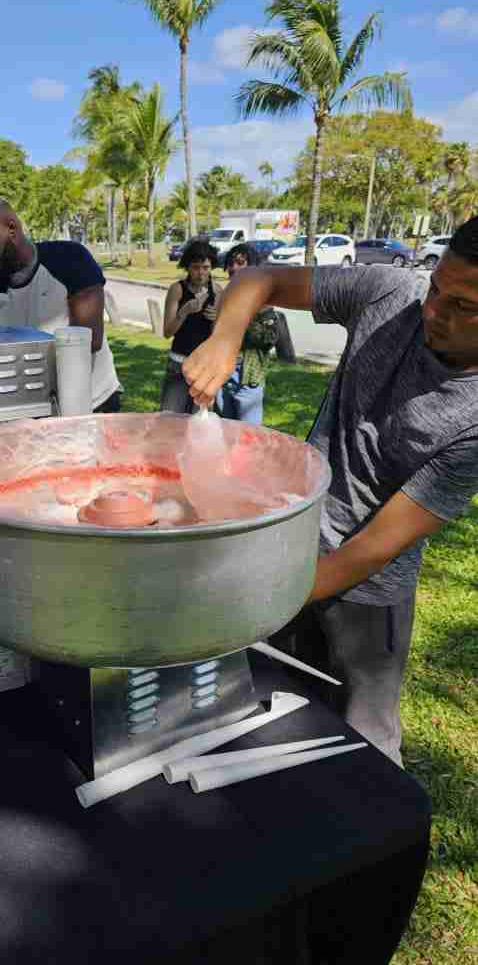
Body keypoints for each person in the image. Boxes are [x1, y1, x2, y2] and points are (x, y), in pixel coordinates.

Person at [182, 216, 478, 767]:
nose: (434, 312)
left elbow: (373, 547)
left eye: (464, 307)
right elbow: (259, 281)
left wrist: (262, 597)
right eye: (438, 288)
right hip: (293, 545)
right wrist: (225, 339)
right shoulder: (392, 293)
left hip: (371, 590)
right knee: (276, 709)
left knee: (364, 739)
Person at [0, 194, 122, 412]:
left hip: (92, 403)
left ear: (11, 228)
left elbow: (88, 340)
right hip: (35, 408)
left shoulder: (69, 258)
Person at [215, 244, 279, 425]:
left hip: (248, 380)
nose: (233, 268)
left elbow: (270, 339)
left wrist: (244, 315)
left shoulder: (262, 300)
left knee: (248, 438)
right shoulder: (224, 296)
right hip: (222, 377)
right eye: (230, 263)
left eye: (240, 263)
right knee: (222, 432)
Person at [160, 238, 219, 414]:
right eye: (195, 267)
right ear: (187, 267)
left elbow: (219, 337)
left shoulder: (218, 292)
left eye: (206, 268)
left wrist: (216, 319)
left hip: (205, 367)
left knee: (200, 423)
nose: (201, 273)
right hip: (179, 363)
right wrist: (184, 311)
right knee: (169, 420)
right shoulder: (177, 289)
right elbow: (167, 332)